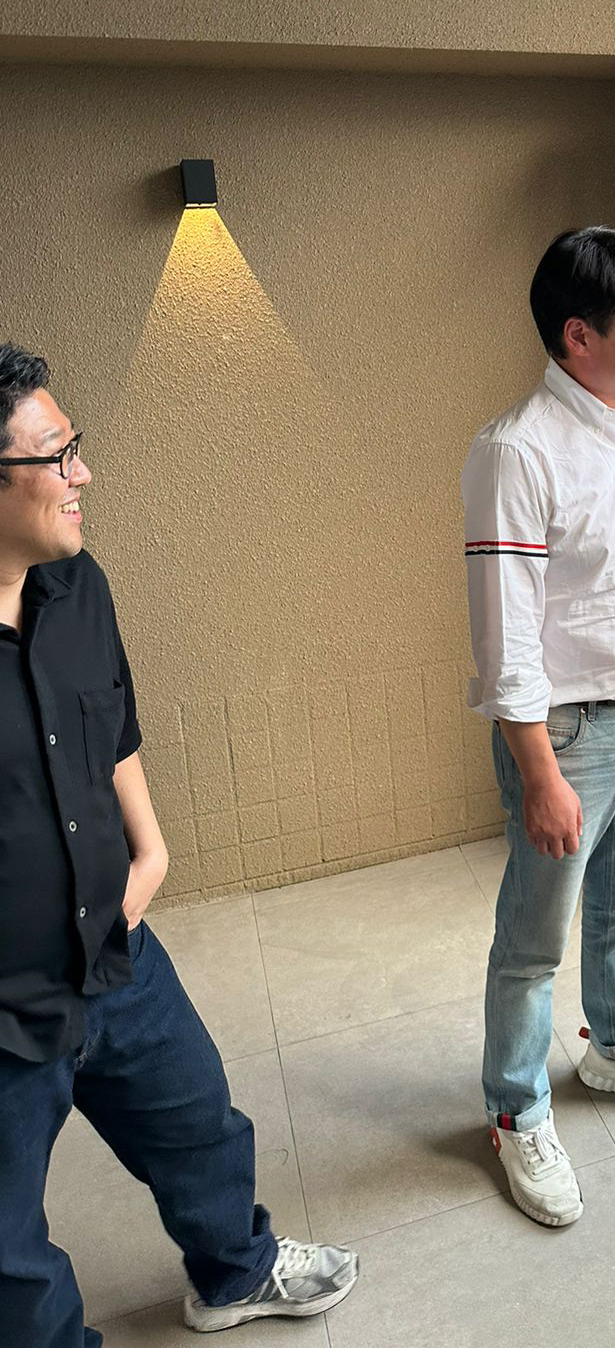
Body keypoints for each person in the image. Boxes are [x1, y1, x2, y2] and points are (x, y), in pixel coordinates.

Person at [0, 343, 359, 1346]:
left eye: (74, 446)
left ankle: (235, 1272)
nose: (82, 472)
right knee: (9, 1256)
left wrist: (149, 855)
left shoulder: (78, 585)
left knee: (197, 1118)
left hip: (113, 946)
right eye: (56, 456)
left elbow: (111, 724)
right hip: (5, 1005)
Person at [462, 227, 615, 1227]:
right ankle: (515, 1110)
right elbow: (506, 633)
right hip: (568, 737)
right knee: (533, 943)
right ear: (580, 335)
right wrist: (539, 773)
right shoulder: (515, 450)